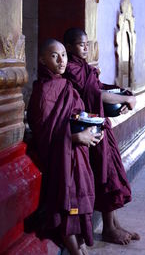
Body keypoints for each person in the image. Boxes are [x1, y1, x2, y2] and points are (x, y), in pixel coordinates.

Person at [63, 28, 140, 245]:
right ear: (69, 48)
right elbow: (94, 94)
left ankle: (115, 224)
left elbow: (100, 87)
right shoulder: (71, 69)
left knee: (113, 170)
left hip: (100, 125)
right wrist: (124, 100)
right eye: (81, 44)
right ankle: (108, 228)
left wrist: (123, 92)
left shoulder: (85, 68)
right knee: (104, 174)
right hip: (88, 128)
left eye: (88, 44)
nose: (86, 48)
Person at [27, 39, 103, 255]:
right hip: (60, 158)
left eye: (64, 55)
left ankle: (80, 248)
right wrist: (77, 137)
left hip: (76, 155)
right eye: (54, 56)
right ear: (42, 60)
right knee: (67, 204)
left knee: (79, 200)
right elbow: (45, 134)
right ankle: (76, 252)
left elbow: (76, 114)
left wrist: (90, 125)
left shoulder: (66, 85)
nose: (61, 60)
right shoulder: (43, 92)